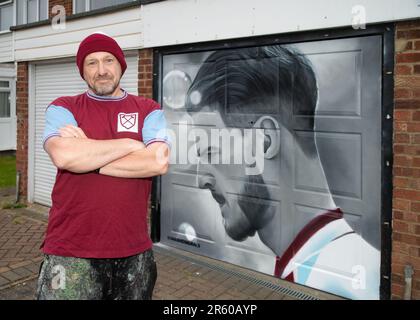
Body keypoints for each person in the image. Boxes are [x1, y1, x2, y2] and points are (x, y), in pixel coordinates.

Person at [180, 45, 380, 299]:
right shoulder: (317, 266)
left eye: (211, 152)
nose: (201, 180)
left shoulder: (342, 282)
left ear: (264, 140)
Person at [36, 32, 170, 300]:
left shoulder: (148, 109)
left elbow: (157, 161)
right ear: (83, 72)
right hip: (70, 251)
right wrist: (131, 145)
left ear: (121, 65)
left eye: (108, 60)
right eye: (91, 63)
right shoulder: (64, 107)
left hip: (133, 251)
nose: (101, 71)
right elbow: (65, 157)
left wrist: (89, 155)